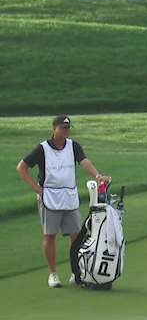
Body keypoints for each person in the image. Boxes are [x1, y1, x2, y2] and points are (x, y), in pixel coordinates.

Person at [15, 116, 110, 288]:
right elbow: (21, 167)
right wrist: (36, 189)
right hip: (49, 197)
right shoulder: (42, 148)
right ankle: (53, 274)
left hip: (69, 196)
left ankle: (76, 271)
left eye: (67, 128)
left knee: (75, 236)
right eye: (62, 128)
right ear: (54, 128)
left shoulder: (73, 146)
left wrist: (97, 176)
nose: (66, 131)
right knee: (49, 235)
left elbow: (84, 162)